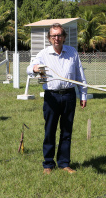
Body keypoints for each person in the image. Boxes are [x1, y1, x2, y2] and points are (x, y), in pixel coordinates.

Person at [26, 23, 87, 175]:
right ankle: (48, 164)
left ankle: (64, 163)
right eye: (53, 36)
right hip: (51, 97)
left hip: (69, 95)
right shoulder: (43, 54)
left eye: (59, 35)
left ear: (64, 37)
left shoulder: (72, 52)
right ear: (49, 38)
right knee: (50, 131)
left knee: (66, 131)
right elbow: (29, 69)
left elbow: (80, 75)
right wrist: (34, 68)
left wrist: (83, 94)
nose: (56, 38)